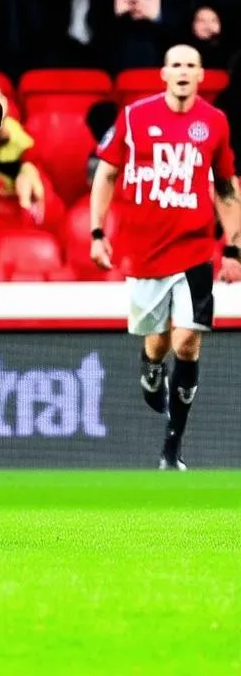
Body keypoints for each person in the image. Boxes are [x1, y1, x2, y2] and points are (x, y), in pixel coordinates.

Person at [89, 44, 241, 470]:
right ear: (163, 73)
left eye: (191, 66)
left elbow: (226, 186)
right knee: (157, 342)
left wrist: (233, 246)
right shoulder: (135, 117)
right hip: (145, 250)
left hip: (194, 249)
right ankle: (150, 365)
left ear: (201, 76)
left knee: (188, 341)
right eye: (176, 64)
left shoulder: (214, 122)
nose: (182, 72)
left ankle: (172, 449)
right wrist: (97, 232)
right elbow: (107, 172)